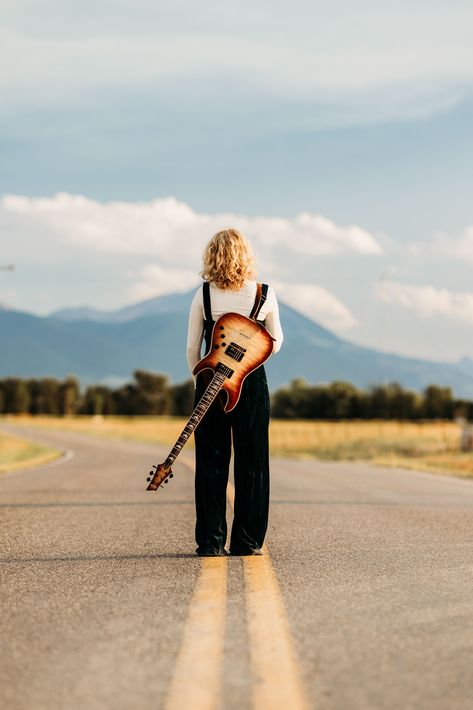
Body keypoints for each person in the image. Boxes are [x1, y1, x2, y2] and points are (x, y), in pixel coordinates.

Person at [186, 228, 284, 557]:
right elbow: (276, 341)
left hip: (211, 381)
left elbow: (191, 347)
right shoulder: (264, 293)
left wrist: (199, 381)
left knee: (211, 461)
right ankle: (247, 541)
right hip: (252, 380)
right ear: (246, 255)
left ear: (211, 255)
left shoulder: (203, 295)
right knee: (252, 461)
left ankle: (211, 541)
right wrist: (248, 355)